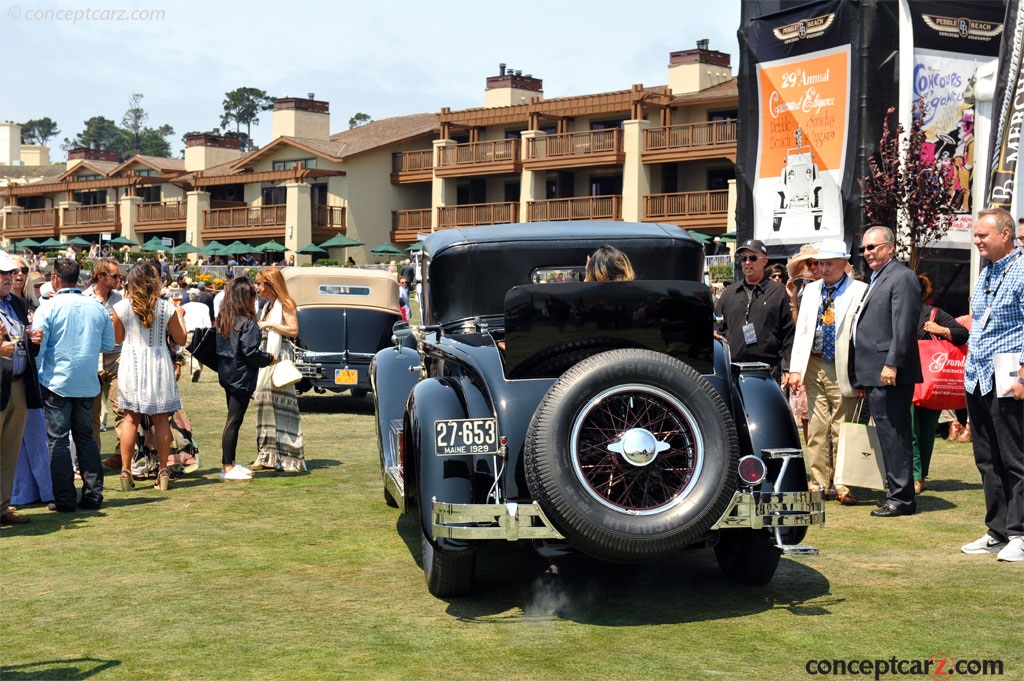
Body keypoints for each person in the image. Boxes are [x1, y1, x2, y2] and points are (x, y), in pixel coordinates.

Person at [959, 208, 1024, 561]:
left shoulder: (1022, 269)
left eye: (983, 235)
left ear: (1005, 234)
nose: (977, 240)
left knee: (1016, 456)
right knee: (987, 458)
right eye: (976, 234)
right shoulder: (987, 272)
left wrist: (1023, 375)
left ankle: (1021, 532)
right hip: (978, 373)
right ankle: (998, 530)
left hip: (1010, 368)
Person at [788, 239, 868, 506]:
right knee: (816, 429)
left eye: (829, 264)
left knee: (842, 428)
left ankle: (844, 485)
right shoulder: (810, 291)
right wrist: (795, 369)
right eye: (820, 263)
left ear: (844, 263)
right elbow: (802, 332)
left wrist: (862, 374)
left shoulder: (860, 291)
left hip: (843, 367)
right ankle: (818, 483)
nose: (823, 268)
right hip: (814, 364)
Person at [849, 226, 922, 517]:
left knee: (895, 433)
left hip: (889, 370)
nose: (867, 253)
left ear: (890, 248)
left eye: (873, 247)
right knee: (887, 434)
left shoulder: (902, 277)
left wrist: (893, 363)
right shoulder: (878, 277)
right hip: (874, 370)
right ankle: (896, 492)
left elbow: (903, 326)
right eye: (864, 249)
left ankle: (902, 499)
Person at [35, 257, 115, 513]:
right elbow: (107, 345)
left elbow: (38, 349)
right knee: (86, 439)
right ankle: (92, 496)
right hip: (87, 382)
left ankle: (64, 500)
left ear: (55, 278)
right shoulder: (97, 307)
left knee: (58, 442)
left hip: (56, 381)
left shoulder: (47, 307)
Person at [112, 262, 187, 491]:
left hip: (132, 362)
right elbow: (181, 339)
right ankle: (163, 470)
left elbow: (117, 338)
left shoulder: (122, 307)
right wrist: (181, 315)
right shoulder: (166, 308)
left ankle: (126, 471)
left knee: (129, 419)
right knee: (161, 420)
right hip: (158, 363)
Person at [912, 274, 968, 495]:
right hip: (905, 379)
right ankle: (914, 475)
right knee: (911, 429)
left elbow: (963, 334)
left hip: (930, 380)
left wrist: (941, 330)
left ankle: (921, 474)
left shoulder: (933, 313)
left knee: (926, 431)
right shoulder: (893, 312)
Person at [215, 277, 275, 480]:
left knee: (232, 420)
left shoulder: (224, 318)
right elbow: (251, 353)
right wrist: (269, 359)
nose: (255, 298)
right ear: (245, 298)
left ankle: (230, 463)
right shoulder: (248, 323)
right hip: (240, 376)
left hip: (226, 373)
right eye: (253, 295)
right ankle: (227, 467)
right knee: (233, 421)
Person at [0, 252, 44, 524]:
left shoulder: (15, 303)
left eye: (9, 273)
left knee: (9, 451)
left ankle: (3, 507)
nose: (8, 278)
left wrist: (33, 340)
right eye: (2, 274)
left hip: (17, 384)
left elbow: (20, 341)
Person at [252, 267, 306, 472]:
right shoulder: (268, 304)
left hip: (279, 359)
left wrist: (269, 325)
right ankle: (267, 454)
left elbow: (293, 331)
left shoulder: (286, 304)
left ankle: (289, 457)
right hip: (267, 358)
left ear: (270, 285)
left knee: (283, 407)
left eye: (260, 283)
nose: (257, 287)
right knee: (264, 405)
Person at [715, 239, 794, 380]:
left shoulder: (779, 292)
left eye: (752, 258)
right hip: (733, 370)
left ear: (765, 261)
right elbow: (718, 330)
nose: (747, 262)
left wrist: (788, 367)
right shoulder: (729, 293)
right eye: (743, 258)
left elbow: (789, 332)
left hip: (767, 371)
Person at [8, 255, 52, 510]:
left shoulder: (25, 304)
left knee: (34, 439)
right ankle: (17, 495)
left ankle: (41, 491)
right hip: (11, 378)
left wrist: (32, 340)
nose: (18, 275)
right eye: (12, 271)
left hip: (27, 377)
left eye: (23, 270)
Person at [84, 258, 124, 466]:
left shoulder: (121, 300)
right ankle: (93, 456)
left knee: (121, 409)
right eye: (115, 276)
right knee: (91, 413)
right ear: (101, 277)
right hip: (92, 360)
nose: (119, 279)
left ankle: (121, 454)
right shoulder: (84, 299)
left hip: (117, 358)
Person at [785, 244, 821, 443]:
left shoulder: (837, 286)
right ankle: (821, 465)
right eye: (810, 263)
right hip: (808, 356)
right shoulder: (806, 289)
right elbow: (801, 328)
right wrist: (793, 301)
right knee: (807, 415)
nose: (814, 267)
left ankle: (833, 466)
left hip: (829, 357)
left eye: (817, 262)